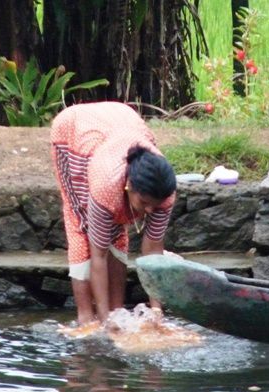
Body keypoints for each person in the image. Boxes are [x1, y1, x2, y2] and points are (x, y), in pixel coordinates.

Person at [50, 102, 176, 325]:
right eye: (144, 203)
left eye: (154, 206)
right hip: (75, 132)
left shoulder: (163, 191)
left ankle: (117, 310)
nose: (149, 211)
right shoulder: (106, 185)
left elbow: (153, 250)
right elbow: (98, 257)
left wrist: (157, 311)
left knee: (117, 231)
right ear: (129, 185)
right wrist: (107, 322)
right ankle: (87, 316)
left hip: (121, 120)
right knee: (80, 223)